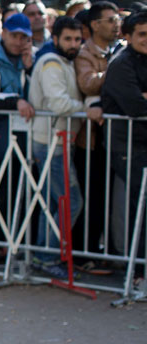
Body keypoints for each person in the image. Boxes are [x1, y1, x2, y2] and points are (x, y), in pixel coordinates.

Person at [27, 16, 92, 278]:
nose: (74, 44)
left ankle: (45, 256)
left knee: (56, 204)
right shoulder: (51, 63)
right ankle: (46, 257)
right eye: (68, 39)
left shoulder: (65, 62)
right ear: (55, 39)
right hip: (51, 143)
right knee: (70, 203)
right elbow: (60, 105)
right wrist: (88, 109)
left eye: (77, 39)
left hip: (59, 141)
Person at [0, 13, 35, 263]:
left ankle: (21, 244)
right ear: (4, 33)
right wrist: (15, 101)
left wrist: (30, 67)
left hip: (26, 131)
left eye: (23, 36)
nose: (18, 40)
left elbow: (35, 96)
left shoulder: (31, 58)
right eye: (14, 35)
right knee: (2, 186)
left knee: (25, 186)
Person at [74, 1, 121, 257]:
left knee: (113, 200)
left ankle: (111, 249)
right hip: (91, 140)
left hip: (115, 138)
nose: (116, 25)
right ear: (95, 25)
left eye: (117, 19)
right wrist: (116, 70)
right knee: (92, 198)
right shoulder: (85, 53)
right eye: (110, 20)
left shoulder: (120, 50)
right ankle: (87, 252)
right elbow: (87, 84)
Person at [102, 11, 147, 266]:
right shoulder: (121, 64)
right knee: (141, 203)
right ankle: (138, 268)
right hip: (126, 145)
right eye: (142, 34)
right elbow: (136, 106)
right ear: (127, 36)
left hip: (142, 142)